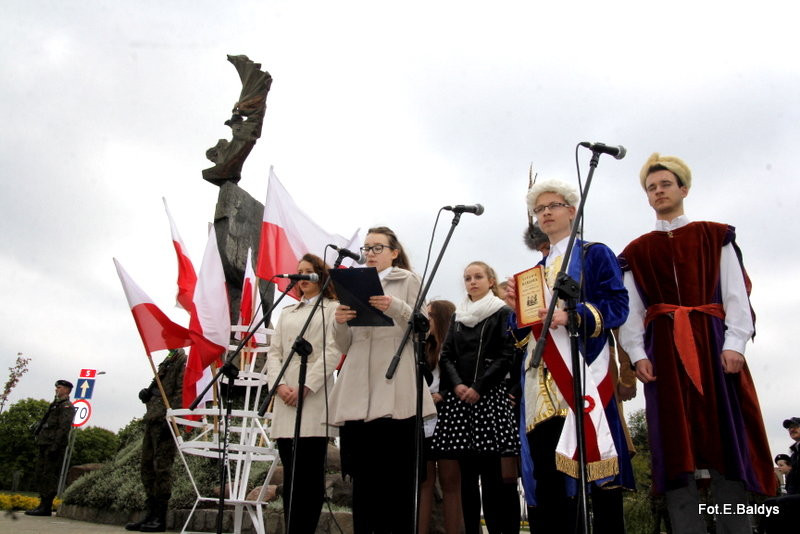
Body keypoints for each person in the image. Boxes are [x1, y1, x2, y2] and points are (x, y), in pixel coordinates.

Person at [618, 153, 773, 533]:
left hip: (712, 345)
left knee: (724, 439)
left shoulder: (713, 235)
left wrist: (735, 343)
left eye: (665, 184)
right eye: (651, 188)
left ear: (683, 188)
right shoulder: (636, 251)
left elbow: (735, 293)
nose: (658, 192)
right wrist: (637, 353)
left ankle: (737, 526)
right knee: (674, 447)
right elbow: (631, 310)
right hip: (664, 355)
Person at [505, 179, 634, 534]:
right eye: (539, 209)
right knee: (547, 481)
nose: (545, 213)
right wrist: (516, 313)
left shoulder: (594, 253)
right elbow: (522, 337)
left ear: (572, 211)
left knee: (600, 477)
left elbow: (617, 306)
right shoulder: (531, 275)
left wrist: (573, 315)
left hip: (582, 378)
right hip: (539, 391)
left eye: (553, 206)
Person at [329, 226, 437, 534]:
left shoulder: (408, 280)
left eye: (378, 248)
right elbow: (345, 344)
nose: (370, 254)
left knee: (396, 480)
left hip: (393, 385)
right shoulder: (353, 283)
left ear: (394, 252)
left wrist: (396, 306)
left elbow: (423, 327)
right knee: (363, 481)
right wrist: (339, 322)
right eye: (367, 248)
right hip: (358, 387)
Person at [432, 261, 520, 534]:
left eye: (478, 276)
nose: (472, 282)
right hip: (460, 405)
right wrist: (457, 386)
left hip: (490, 399)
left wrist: (479, 386)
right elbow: (446, 356)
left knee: (495, 478)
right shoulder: (459, 316)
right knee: (466, 480)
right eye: (467, 277)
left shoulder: (502, 312)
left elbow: (508, 354)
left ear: (490, 280)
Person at [266, 253, 340, 534]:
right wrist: (280, 386)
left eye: (308, 272)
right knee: (291, 472)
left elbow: (333, 350)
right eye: (298, 272)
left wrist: (306, 385)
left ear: (320, 276)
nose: (301, 277)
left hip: (313, 397)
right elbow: (275, 354)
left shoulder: (332, 308)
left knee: (309, 476)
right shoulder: (286, 312)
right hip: (286, 399)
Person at [125, 348, 187, 532]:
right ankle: (150, 514)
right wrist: (148, 394)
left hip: (165, 421)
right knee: (147, 468)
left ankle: (160, 517)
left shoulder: (181, 360)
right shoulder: (167, 360)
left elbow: (180, 391)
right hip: (153, 418)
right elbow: (160, 389)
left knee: (162, 469)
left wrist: (173, 419)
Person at [418, 299, 463, 534]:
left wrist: (442, 395)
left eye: (431, 316)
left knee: (450, 482)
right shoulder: (421, 347)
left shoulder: (454, 346)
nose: (427, 321)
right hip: (423, 420)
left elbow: (460, 380)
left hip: (448, 418)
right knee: (424, 482)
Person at [26, 379, 76, 516]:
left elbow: (63, 428)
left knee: (49, 475)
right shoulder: (55, 405)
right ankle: (42, 504)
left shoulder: (67, 407)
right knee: (41, 474)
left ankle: (46, 506)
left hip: (54, 446)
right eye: (57, 388)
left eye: (59, 388)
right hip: (45, 443)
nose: (56, 390)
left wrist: (55, 445)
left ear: (66, 390)